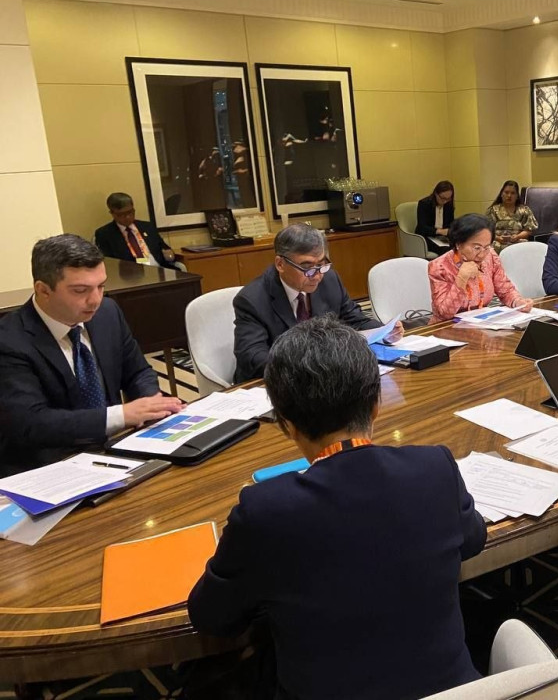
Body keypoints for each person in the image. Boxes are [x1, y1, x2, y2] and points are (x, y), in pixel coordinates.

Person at [189, 316, 486, 700]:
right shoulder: (434, 468)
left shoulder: (265, 510)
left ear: (286, 424)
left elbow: (212, 617)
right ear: (376, 404)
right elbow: (473, 539)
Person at [0, 235, 182, 475]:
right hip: (47, 465)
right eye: (80, 290)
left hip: (115, 451)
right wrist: (122, 415)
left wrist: (151, 403)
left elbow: (137, 371)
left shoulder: (107, 312)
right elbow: (32, 423)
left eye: (101, 286)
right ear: (43, 290)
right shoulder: (9, 340)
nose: (95, 300)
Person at [233, 223, 400, 383]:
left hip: (326, 378)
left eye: (321, 265)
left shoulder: (330, 280)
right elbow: (253, 357)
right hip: (276, 383)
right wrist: (312, 368)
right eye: (307, 268)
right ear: (280, 264)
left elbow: (354, 320)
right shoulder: (252, 300)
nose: (317, 275)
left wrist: (385, 331)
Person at [428, 213, 534, 323]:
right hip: (447, 327)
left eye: (486, 247)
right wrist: (462, 278)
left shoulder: (491, 257)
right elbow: (444, 313)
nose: (482, 254)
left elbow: (506, 290)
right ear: (458, 244)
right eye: (477, 248)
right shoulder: (439, 267)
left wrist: (518, 302)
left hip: (481, 323)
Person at [94, 192, 178, 269]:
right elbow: (110, 263)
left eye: (130, 212)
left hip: (160, 270)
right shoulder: (104, 234)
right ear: (112, 213)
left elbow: (165, 248)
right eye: (121, 214)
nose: (127, 217)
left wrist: (170, 255)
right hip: (131, 275)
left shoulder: (148, 227)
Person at [486, 180, 538, 252]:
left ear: (517, 196)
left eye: (513, 193)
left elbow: (528, 230)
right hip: (497, 242)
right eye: (506, 192)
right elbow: (487, 230)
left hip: (518, 242)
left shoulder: (524, 210)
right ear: (501, 194)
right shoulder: (493, 210)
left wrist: (517, 237)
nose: (509, 196)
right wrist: (498, 238)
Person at [416, 180, 456, 255]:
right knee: (446, 250)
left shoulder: (449, 205)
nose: (445, 201)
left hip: (442, 237)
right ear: (436, 194)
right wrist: (439, 231)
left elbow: (451, 223)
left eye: (448, 199)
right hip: (426, 236)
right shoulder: (424, 204)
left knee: (459, 246)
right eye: (442, 198)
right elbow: (422, 227)